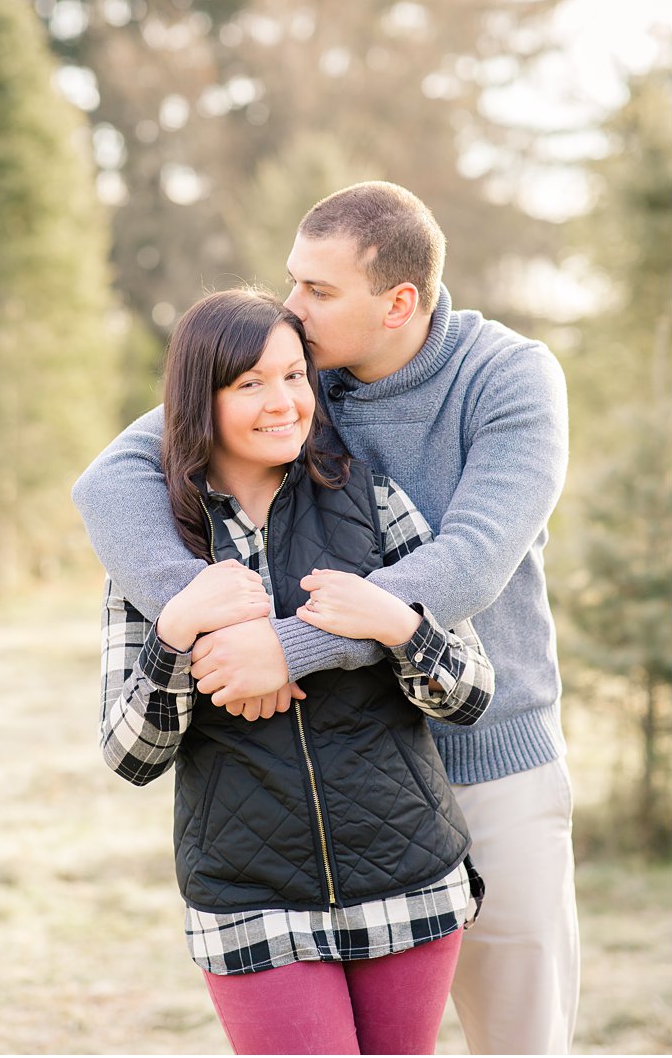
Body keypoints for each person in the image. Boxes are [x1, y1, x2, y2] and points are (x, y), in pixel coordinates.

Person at [75, 182, 576, 1053]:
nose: (292, 310)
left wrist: (284, 646)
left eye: (317, 290)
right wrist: (205, 620)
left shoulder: (509, 377)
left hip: (490, 751)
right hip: (347, 766)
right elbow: (112, 478)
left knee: (522, 1037)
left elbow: (465, 566)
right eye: (291, 281)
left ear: (399, 302)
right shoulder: (300, 381)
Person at [99, 289, 492, 1054]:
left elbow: (472, 690)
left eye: (294, 376)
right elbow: (129, 754)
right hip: (249, 897)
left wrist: (398, 625)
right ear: (197, 400)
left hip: (407, 876)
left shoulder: (374, 504)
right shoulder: (158, 545)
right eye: (250, 384)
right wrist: (179, 626)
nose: (283, 403)